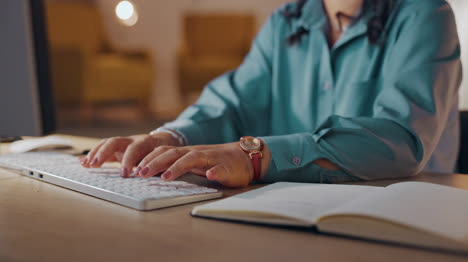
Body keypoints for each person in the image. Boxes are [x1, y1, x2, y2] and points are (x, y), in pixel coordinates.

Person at [81, 0, 462, 187]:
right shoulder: (287, 21)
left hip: (403, 218)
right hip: (294, 209)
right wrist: (168, 137)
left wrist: (256, 155)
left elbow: (400, 139)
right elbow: (231, 101)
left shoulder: (425, 14)